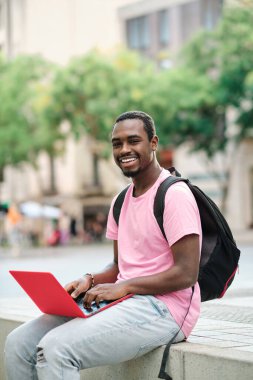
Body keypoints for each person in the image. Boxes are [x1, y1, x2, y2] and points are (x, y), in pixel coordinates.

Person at [4, 111, 202, 380]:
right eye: (117, 143)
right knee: (18, 343)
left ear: (153, 143)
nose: (124, 150)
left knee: (56, 349)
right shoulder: (121, 201)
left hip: (166, 310)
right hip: (125, 301)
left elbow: (187, 273)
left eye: (134, 141)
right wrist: (90, 280)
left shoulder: (174, 194)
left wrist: (125, 287)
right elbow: (120, 266)